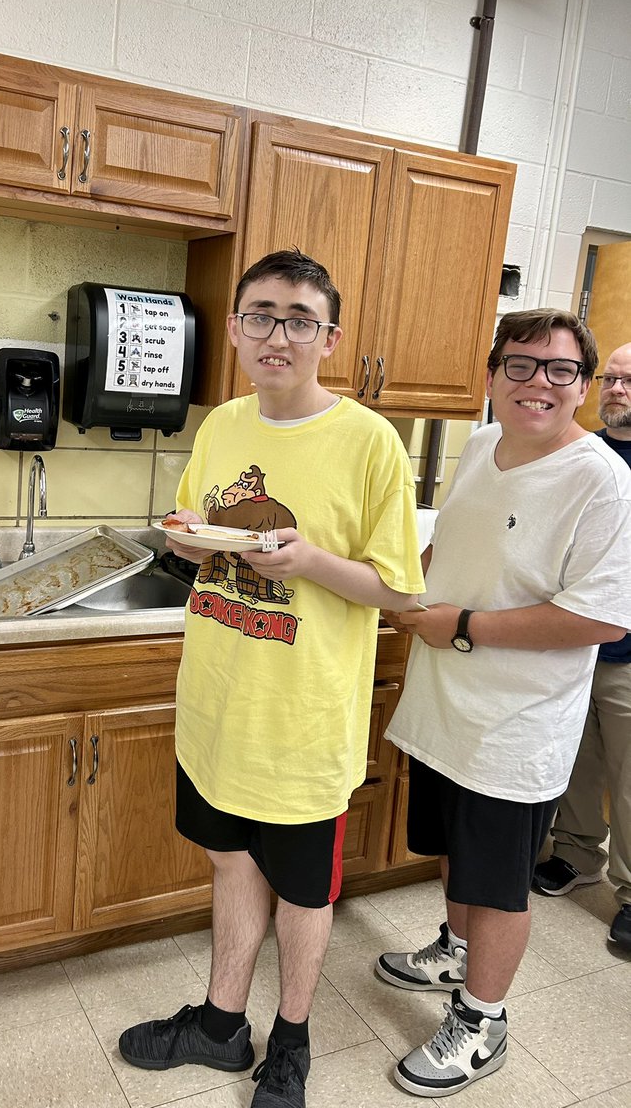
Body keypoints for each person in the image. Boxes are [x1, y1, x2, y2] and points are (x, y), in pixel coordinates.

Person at [118, 250, 425, 1108]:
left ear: (329, 336)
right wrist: (185, 536)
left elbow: (400, 588)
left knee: (302, 887)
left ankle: (290, 1042)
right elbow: (196, 522)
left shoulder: (370, 442)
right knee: (230, 866)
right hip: (216, 707)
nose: (276, 334)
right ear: (239, 329)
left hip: (303, 722)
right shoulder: (221, 424)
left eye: (298, 318)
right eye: (259, 315)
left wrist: (315, 562)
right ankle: (221, 1027)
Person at [375, 311, 631, 1098]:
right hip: (446, 704)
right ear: (492, 375)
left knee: (498, 881)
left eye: (560, 371)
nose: (537, 384)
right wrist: (398, 581)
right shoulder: (484, 445)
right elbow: (454, 545)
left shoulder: (600, 479)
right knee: (458, 854)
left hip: (515, 725)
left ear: (583, 388)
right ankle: (454, 949)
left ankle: (483, 1020)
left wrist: (462, 626)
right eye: (520, 366)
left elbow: (602, 615)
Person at [532, 342, 631, 950]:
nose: (617, 389)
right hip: (576, 643)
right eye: (612, 379)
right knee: (578, 759)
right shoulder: (582, 453)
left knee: (629, 778)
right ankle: (576, 855)